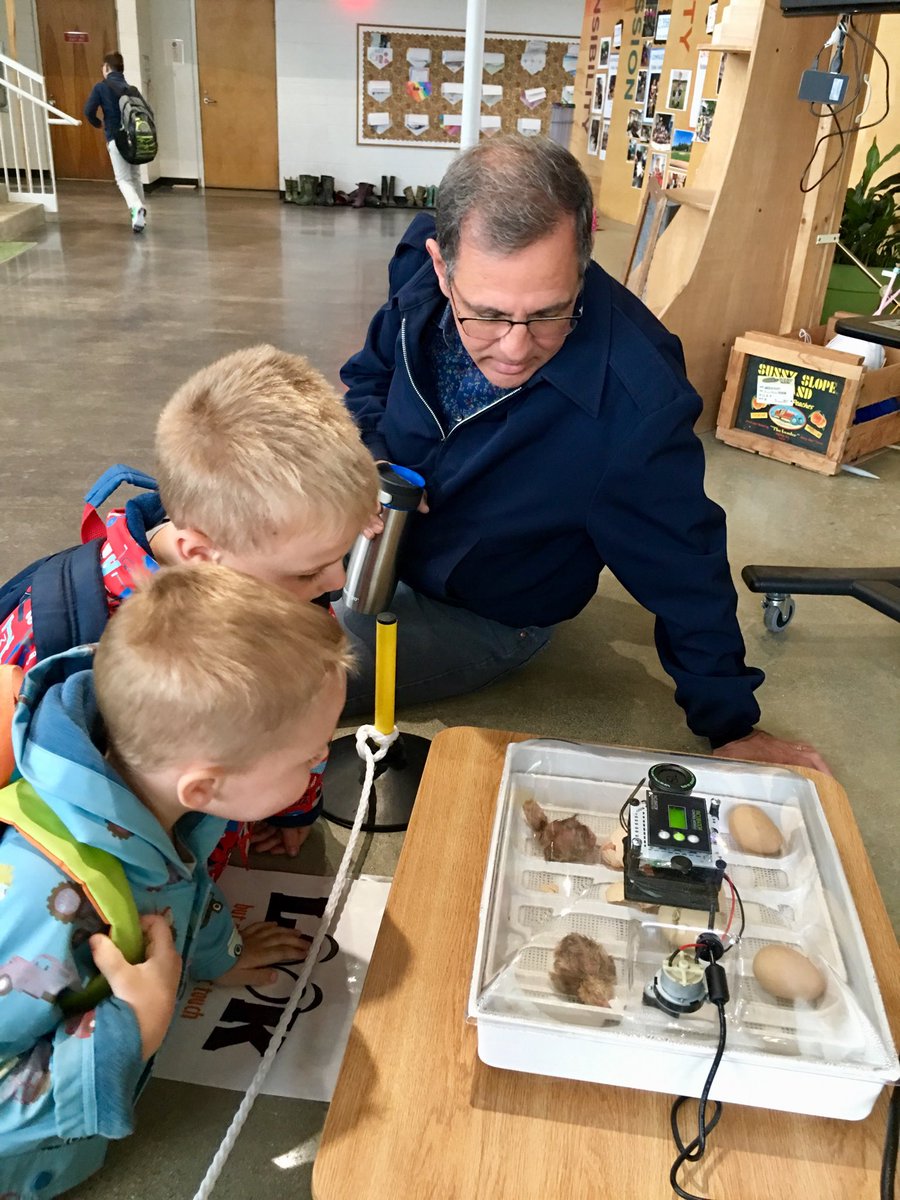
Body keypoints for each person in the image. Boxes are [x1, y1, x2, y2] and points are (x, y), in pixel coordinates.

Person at [337, 134, 828, 774]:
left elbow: (685, 561)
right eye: (485, 315)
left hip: (485, 612)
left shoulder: (637, 400)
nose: (515, 348)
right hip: (371, 541)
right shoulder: (416, 280)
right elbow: (368, 379)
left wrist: (731, 721)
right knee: (211, 566)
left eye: (549, 313)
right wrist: (368, 452)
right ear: (440, 264)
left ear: (585, 263)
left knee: (265, 671)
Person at [0, 564, 351, 1199]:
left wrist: (219, 956)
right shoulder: (42, 901)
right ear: (206, 785)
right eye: (310, 756)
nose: (322, 763)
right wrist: (135, 1026)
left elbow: (179, 887)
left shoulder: (162, 804)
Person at [0, 344, 379, 857]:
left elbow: (298, 710)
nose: (333, 581)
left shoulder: (272, 579)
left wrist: (295, 805)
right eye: (310, 570)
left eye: (342, 556)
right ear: (200, 554)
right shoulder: (63, 638)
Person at [83, 52, 147, 233]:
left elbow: (88, 111)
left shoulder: (101, 88)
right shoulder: (130, 88)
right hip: (134, 139)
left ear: (106, 68)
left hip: (116, 137)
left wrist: (98, 123)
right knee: (135, 177)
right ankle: (141, 213)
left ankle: (137, 209)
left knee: (123, 179)